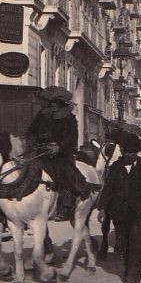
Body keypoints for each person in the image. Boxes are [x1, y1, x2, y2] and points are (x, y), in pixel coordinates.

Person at [25, 86, 92, 220]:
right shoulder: (42, 115)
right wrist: (33, 142)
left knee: (63, 173)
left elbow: (72, 138)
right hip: (40, 151)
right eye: (50, 103)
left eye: (54, 103)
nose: (52, 106)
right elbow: (31, 132)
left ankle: (65, 205)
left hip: (61, 155)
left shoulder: (69, 118)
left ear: (59, 103)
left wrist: (59, 147)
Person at [101, 132, 141, 283]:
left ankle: (133, 277)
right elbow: (107, 189)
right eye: (126, 152)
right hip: (119, 212)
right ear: (123, 151)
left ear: (137, 152)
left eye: (132, 152)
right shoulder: (115, 167)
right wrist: (102, 209)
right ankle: (127, 272)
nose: (128, 155)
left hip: (140, 212)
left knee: (137, 242)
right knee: (123, 242)